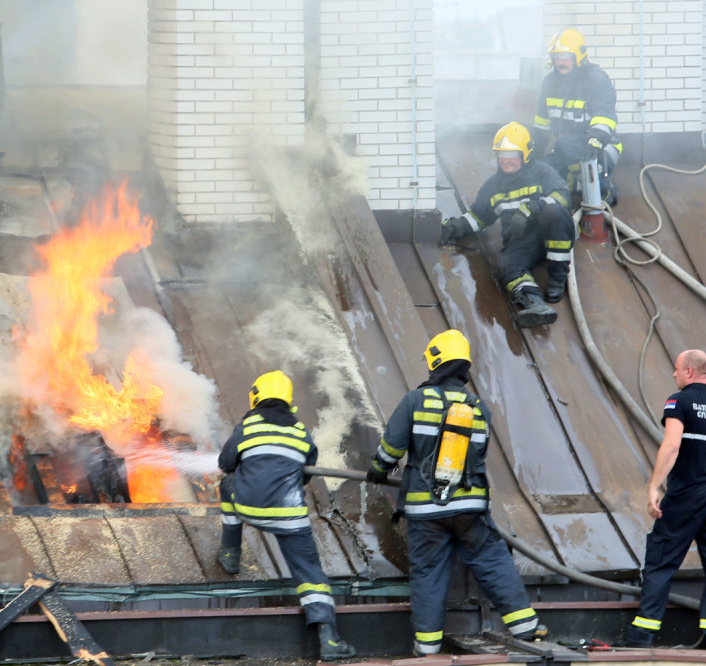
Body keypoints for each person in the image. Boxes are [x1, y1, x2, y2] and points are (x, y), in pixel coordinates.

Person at [366, 331, 548, 656]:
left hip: (425, 511)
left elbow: (392, 447)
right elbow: (477, 457)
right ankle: (526, 628)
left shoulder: (415, 401)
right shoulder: (478, 408)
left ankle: (427, 648)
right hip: (471, 508)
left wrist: (378, 469)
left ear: (435, 362)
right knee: (492, 560)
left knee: (428, 573)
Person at [217, 370, 357, 661]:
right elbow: (304, 475)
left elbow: (225, 463)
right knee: (310, 572)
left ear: (256, 397)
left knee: (227, 483)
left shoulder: (248, 426)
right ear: (288, 401)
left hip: (248, 507)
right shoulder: (301, 432)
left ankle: (230, 553)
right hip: (290, 516)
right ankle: (329, 639)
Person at [623, 349, 706, 650]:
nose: (673, 374)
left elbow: (672, 446)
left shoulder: (678, 402)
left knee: (661, 561)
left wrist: (653, 487)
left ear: (688, 372)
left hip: (687, 494)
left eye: (676, 368)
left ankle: (641, 637)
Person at [438, 122, 574, 328]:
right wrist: (453, 228)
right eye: (501, 154)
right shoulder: (493, 187)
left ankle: (557, 278)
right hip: (522, 241)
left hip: (551, 232)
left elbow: (563, 197)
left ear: (525, 154)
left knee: (554, 212)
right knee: (507, 265)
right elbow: (478, 216)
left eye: (511, 155)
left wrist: (531, 209)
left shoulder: (543, 173)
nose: (505, 160)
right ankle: (535, 304)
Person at [532, 28, 623, 204]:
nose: (560, 62)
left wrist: (594, 144)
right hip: (566, 148)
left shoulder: (596, 79)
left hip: (601, 148)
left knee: (564, 144)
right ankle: (576, 183)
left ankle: (603, 187)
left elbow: (604, 115)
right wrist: (537, 149)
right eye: (556, 57)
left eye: (566, 57)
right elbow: (542, 122)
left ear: (578, 56)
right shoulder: (549, 82)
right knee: (542, 173)